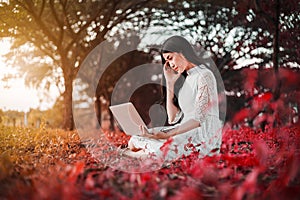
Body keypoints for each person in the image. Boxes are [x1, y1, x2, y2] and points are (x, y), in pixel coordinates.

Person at [123, 35, 224, 162]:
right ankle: (145, 153)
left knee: (159, 151)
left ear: (182, 51)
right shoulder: (186, 79)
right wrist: (170, 83)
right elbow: (172, 119)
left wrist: (167, 134)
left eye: (170, 58)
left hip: (202, 134)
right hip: (182, 130)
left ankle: (141, 155)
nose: (171, 65)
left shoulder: (204, 76)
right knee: (134, 140)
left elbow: (198, 120)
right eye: (167, 61)